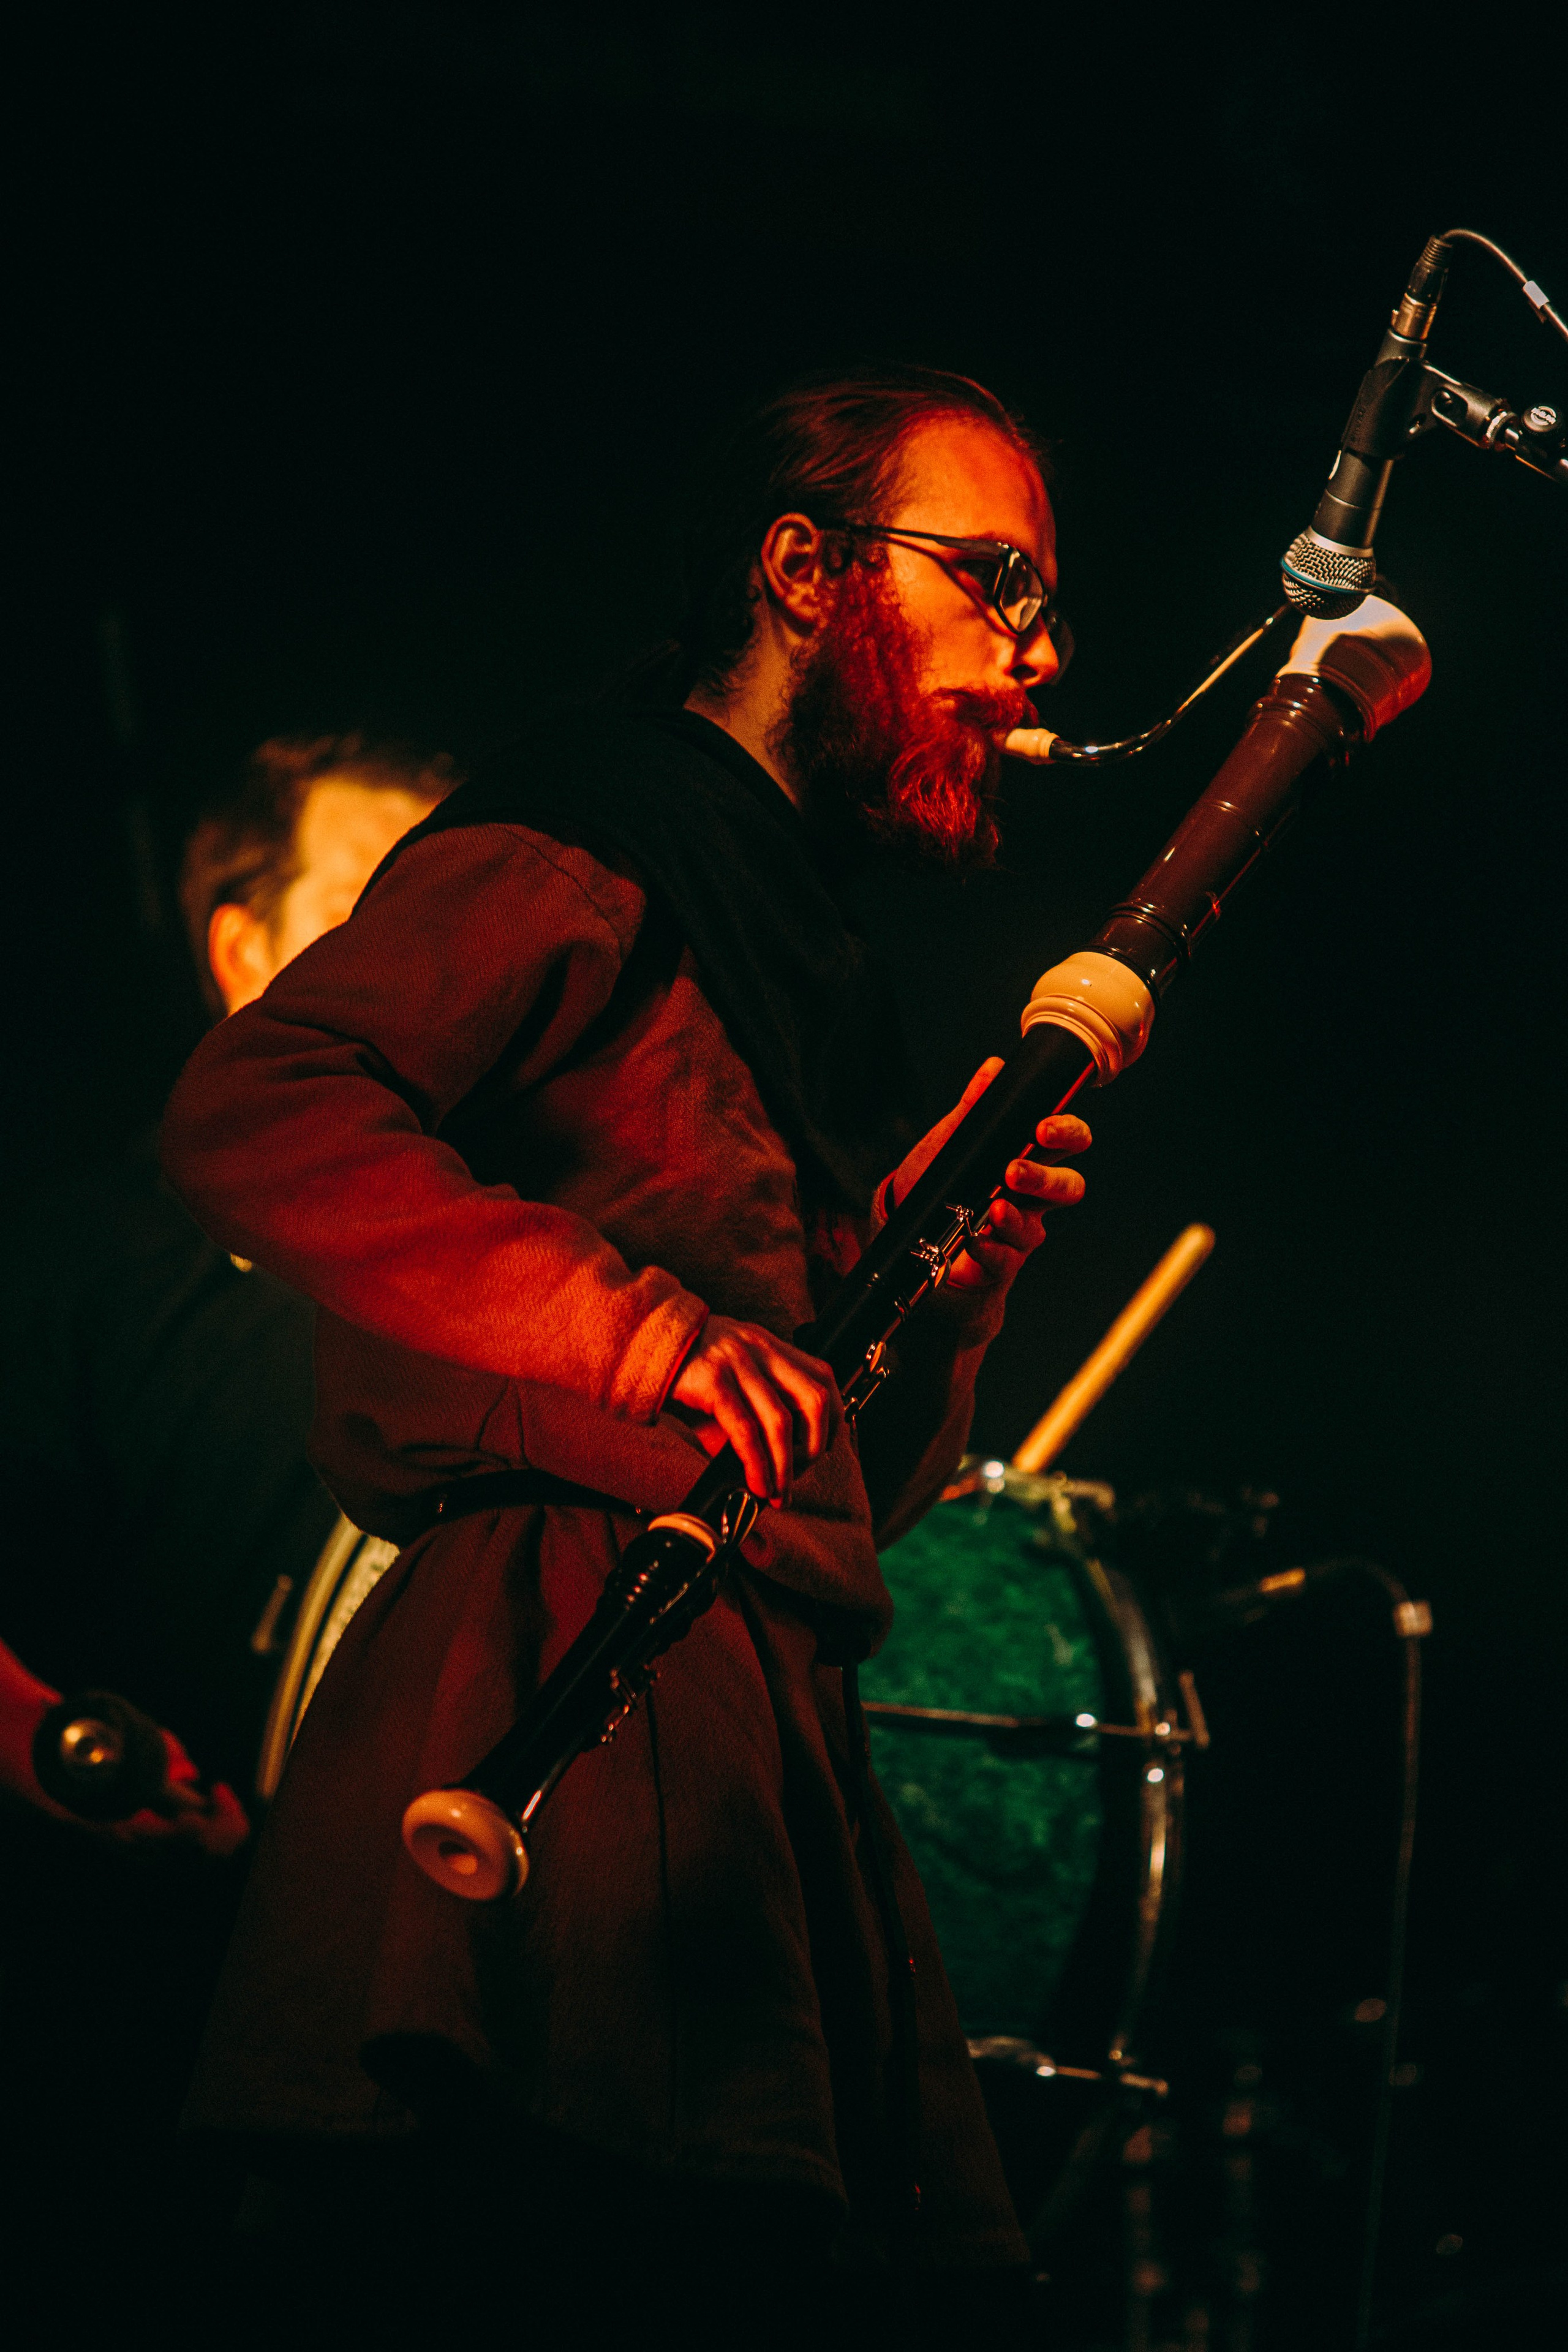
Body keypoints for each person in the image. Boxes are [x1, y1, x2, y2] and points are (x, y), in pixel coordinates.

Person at [160, 369, 1091, 2343]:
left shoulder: (809, 951)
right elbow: (260, 1103)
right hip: (561, 1694)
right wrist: (631, 1331)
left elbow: (844, 1487)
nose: (1040, 650)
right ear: (799, 571)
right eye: (991, 577)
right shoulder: (592, 828)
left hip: (760, 1734)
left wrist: (952, 1279)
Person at [0, 733, 450, 2302]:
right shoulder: (73, 1262)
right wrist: (54, 1754)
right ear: (243, 948)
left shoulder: (536, 1266)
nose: (431, 965)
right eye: (372, 908)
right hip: (132, 2058)